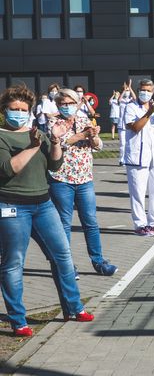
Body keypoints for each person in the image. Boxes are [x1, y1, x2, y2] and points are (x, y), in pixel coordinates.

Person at [0, 85, 94, 337]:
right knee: (13, 264)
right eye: (14, 109)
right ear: (4, 110)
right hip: (12, 207)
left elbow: (54, 164)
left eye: (23, 109)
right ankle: (18, 320)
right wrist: (32, 146)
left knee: (62, 255)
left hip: (43, 205)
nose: (19, 113)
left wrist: (54, 140)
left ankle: (74, 307)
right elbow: (9, 169)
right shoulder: (2, 137)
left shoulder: (38, 134)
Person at [48, 89, 118, 279]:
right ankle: (67, 265)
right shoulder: (53, 122)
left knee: (91, 222)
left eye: (70, 103)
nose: (67, 106)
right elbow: (58, 143)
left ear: (77, 103)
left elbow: (98, 146)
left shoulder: (84, 120)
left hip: (84, 178)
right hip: (61, 179)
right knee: (64, 223)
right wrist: (80, 136)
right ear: (58, 105)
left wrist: (94, 136)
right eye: (63, 103)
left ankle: (99, 261)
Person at [124, 79, 154, 236]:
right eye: (143, 90)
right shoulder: (130, 107)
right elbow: (135, 127)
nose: (146, 93)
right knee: (138, 191)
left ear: (153, 91)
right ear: (138, 90)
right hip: (138, 157)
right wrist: (149, 112)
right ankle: (140, 224)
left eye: (149, 90)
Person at [117, 81, 134, 166]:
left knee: (129, 143)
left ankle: (128, 159)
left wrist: (130, 88)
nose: (127, 91)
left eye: (128, 91)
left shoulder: (131, 100)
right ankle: (121, 160)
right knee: (122, 143)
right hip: (121, 125)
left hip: (130, 125)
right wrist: (124, 90)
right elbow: (119, 99)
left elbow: (135, 98)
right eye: (126, 90)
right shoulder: (122, 100)